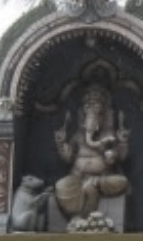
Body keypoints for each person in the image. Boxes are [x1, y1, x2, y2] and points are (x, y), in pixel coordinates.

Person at [53, 85, 129, 220]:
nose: (92, 120)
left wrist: (118, 147)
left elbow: (120, 157)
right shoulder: (78, 136)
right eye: (88, 115)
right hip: (77, 177)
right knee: (60, 185)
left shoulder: (109, 135)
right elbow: (69, 158)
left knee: (122, 182)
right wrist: (61, 145)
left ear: (103, 118)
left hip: (102, 178)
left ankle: (85, 215)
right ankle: (79, 217)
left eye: (97, 116)